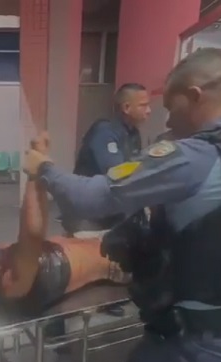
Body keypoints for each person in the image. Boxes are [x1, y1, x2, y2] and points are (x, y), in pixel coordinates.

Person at [23, 47, 221, 362]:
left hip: (193, 343)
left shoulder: (194, 157)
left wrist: (44, 169)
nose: (167, 119)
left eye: (171, 107)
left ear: (195, 96)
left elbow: (92, 197)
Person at [0, 134, 128, 320]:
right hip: (121, 260)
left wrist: (39, 168)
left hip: (101, 241)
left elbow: (33, 231)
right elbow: (32, 234)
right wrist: (35, 171)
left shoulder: (0, 260)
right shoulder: (11, 283)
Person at [63, 83, 151, 317]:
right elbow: (117, 171)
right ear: (126, 107)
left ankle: (105, 301)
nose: (149, 110)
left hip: (111, 209)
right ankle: (56, 322)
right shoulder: (104, 132)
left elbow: (136, 168)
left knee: (109, 257)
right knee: (78, 265)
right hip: (87, 211)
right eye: (144, 105)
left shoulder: (133, 134)